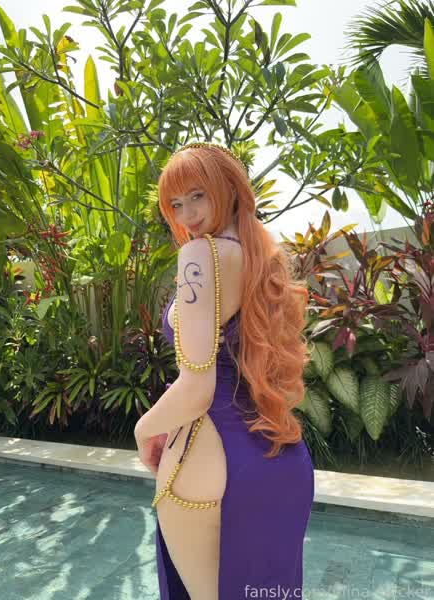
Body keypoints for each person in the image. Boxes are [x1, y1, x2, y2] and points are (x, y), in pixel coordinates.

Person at [134, 142, 314, 600]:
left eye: (198, 195)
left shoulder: (200, 257)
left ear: (228, 188)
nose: (187, 214)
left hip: (210, 461)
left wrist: (143, 429)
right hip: (281, 460)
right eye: (176, 204)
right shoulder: (263, 259)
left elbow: (198, 387)